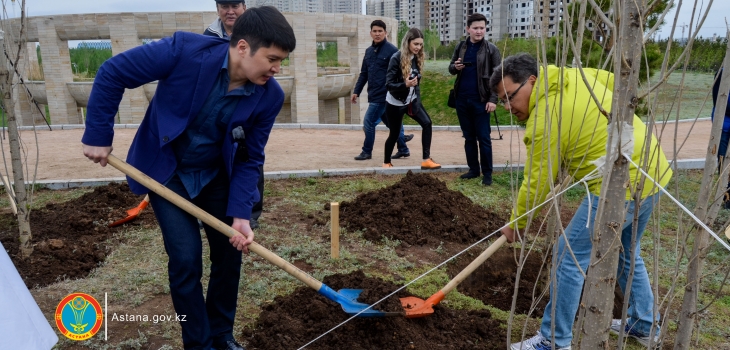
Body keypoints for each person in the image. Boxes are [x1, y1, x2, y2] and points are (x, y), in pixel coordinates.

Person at [82, 7, 296, 350]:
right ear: (242, 47)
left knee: (230, 255)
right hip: (168, 174)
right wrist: (97, 132)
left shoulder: (269, 95)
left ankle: (221, 335)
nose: (276, 68)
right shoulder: (183, 51)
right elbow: (113, 72)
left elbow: (249, 157)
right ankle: (198, 343)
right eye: (272, 58)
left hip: (216, 175)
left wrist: (242, 214)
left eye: (281, 61)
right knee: (185, 259)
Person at [491, 54, 672, 350]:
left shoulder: (543, 120)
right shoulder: (572, 75)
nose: (509, 108)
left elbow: (537, 180)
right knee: (628, 249)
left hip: (617, 182)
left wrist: (517, 223)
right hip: (653, 167)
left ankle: (553, 341)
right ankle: (644, 323)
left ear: (532, 81)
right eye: (502, 102)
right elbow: (614, 82)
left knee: (568, 257)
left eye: (510, 97)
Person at [204, 0, 262, 229]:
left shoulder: (256, 33)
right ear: (217, 8)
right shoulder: (210, 35)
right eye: (224, 5)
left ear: (244, 7)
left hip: (245, 104)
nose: (230, 11)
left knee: (248, 156)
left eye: (234, 5)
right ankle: (208, 211)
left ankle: (250, 212)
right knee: (215, 157)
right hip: (218, 105)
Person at [448, 13, 501, 186]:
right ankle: (473, 170)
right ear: (468, 29)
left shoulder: (491, 49)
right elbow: (451, 68)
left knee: (484, 138)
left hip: (482, 100)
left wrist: (493, 100)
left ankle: (487, 174)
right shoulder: (461, 47)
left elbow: (498, 76)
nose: (479, 31)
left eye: (482, 28)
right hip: (462, 99)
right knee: (469, 137)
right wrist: (455, 67)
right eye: (476, 28)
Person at [352, 20, 413, 161]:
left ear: (386, 33)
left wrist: (402, 89)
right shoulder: (368, 52)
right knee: (392, 123)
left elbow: (402, 72)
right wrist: (357, 91)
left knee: (368, 122)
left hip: (385, 95)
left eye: (380, 31)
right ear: (370, 33)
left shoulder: (393, 51)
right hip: (373, 94)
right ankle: (403, 148)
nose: (377, 33)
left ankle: (366, 151)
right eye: (375, 31)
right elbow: (364, 74)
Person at [382, 28, 440, 170]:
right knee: (394, 134)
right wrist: (405, 84)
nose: (418, 47)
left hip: (411, 100)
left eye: (420, 45)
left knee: (427, 123)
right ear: (407, 42)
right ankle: (386, 162)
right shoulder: (396, 58)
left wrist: (416, 96)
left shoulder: (417, 57)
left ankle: (426, 160)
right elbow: (389, 84)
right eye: (415, 44)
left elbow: (416, 82)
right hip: (395, 102)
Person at [711, 68, 730, 208]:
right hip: (724, 126)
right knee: (723, 161)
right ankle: (726, 197)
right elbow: (722, 102)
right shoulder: (723, 73)